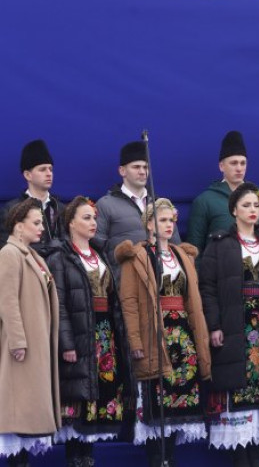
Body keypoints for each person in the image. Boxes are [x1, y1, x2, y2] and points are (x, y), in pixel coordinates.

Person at [199, 183, 259, 467]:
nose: (253, 210)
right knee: (239, 396)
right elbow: (208, 288)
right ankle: (241, 461)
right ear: (233, 210)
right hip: (236, 326)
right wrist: (214, 325)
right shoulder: (219, 245)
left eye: (256, 205)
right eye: (246, 205)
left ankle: (257, 460)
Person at [115, 199, 211, 466]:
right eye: (163, 220)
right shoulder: (137, 257)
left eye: (172, 220)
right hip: (155, 336)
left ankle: (170, 459)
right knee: (157, 409)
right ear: (149, 224)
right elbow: (129, 303)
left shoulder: (182, 256)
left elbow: (194, 302)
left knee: (178, 410)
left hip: (183, 338)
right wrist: (135, 341)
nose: (169, 225)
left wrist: (199, 340)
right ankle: (158, 460)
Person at [46, 196, 135, 467]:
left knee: (98, 404)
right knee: (79, 405)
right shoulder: (61, 257)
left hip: (105, 334)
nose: (93, 222)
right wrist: (67, 344)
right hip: (80, 335)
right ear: (71, 223)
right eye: (86, 218)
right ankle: (74, 459)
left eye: (94, 218)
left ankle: (88, 458)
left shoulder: (101, 254)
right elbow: (59, 304)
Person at [0, 199, 61, 466]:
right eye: (36, 223)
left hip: (36, 343)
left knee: (27, 420)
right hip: (22, 347)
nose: (42, 228)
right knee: (19, 416)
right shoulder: (9, 254)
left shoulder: (32, 255)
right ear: (18, 226)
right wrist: (17, 341)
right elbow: (7, 301)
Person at [95, 141, 181, 282]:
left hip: (161, 284)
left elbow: (176, 247)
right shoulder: (106, 205)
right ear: (122, 171)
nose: (142, 171)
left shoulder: (161, 206)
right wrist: (113, 282)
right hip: (125, 284)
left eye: (145, 167)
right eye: (136, 167)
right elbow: (97, 249)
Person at [187, 131, 259, 252]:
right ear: (221, 166)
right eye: (233, 163)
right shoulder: (204, 202)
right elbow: (193, 251)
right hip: (219, 263)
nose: (239, 168)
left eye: (243, 163)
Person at [0, 139, 65, 257]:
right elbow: (6, 249)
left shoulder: (61, 209)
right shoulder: (11, 210)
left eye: (50, 169)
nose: (49, 173)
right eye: (42, 169)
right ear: (27, 175)